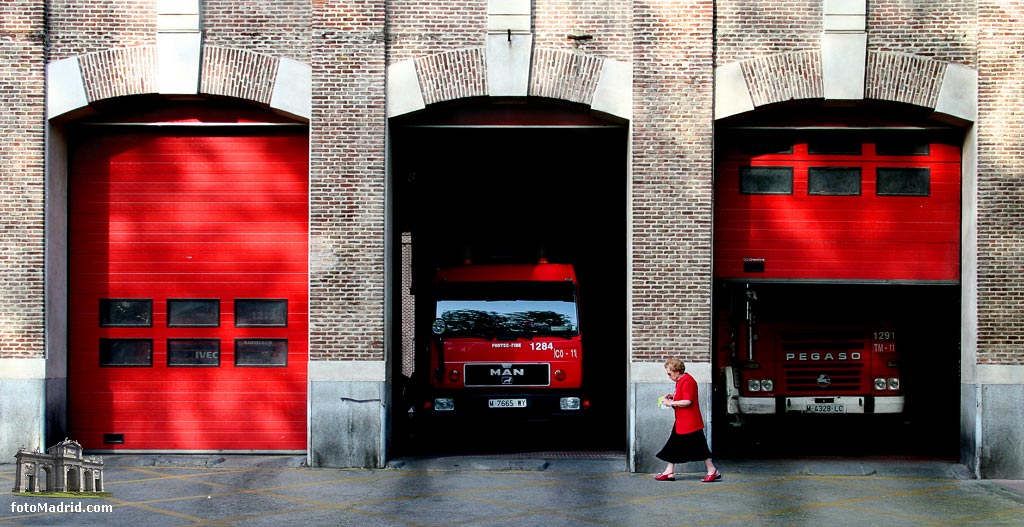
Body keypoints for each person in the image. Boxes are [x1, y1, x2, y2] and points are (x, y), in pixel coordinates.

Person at [654, 357, 721, 482]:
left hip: (690, 422)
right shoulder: (681, 381)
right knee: (673, 445)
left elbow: (687, 401)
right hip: (683, 421)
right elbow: (683, 396)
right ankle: (669, 471)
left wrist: (670, 403)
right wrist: (673, 397)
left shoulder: (687, 381)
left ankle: (712, 470)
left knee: (700, 447)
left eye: (670, 373)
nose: (668, 376)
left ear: (677, 371)